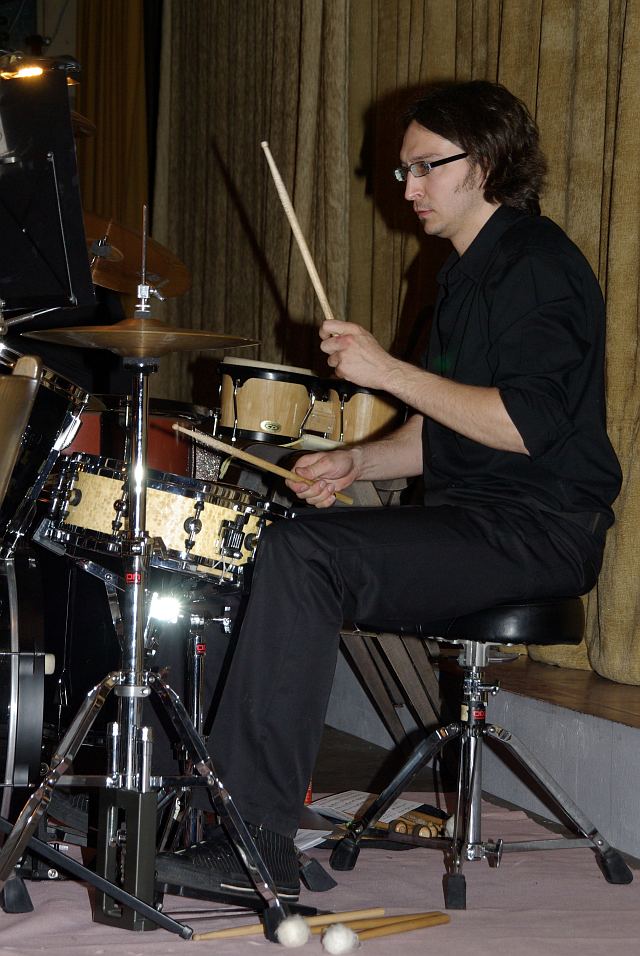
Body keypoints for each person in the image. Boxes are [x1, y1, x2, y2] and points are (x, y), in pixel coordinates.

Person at [155, 80, 622, 901]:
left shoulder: (539, 267)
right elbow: (440, 429)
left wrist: (385, 370)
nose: (406, 188)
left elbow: (523, 425)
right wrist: (355, 463)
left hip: (541, 527)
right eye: (405, 170)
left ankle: (253, 839)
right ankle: (195, 806)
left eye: (424, 167)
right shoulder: (455, 275)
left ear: (483, 163)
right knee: (258, 539)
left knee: (303, 555)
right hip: (470, 518)